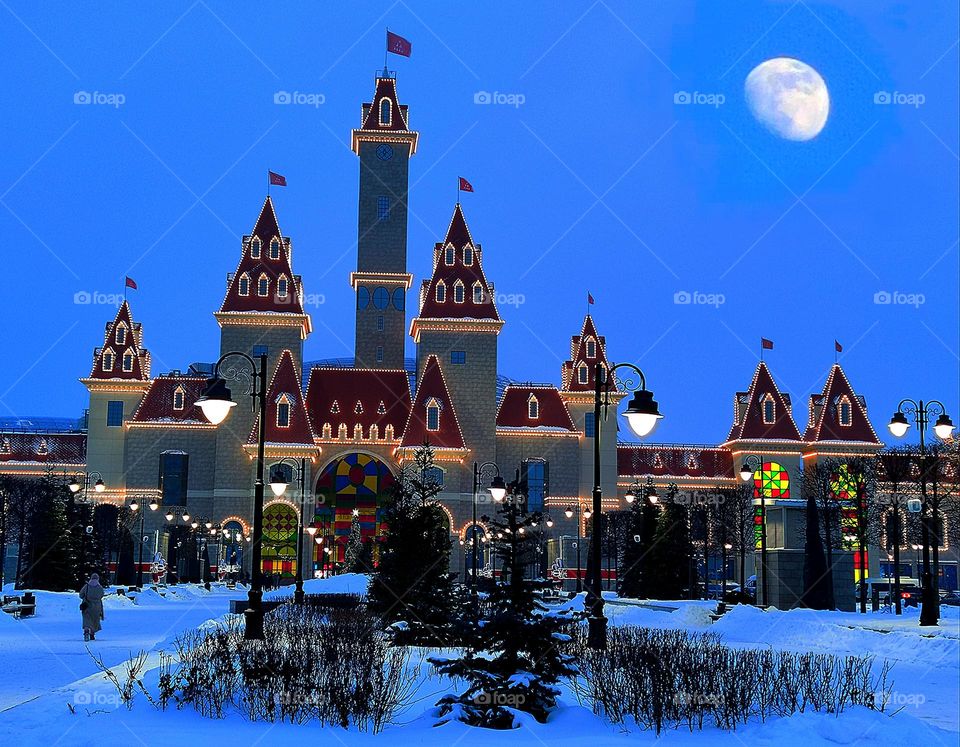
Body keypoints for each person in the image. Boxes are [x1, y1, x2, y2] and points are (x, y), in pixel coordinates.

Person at [79, 573, 105, 642]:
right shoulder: (100, 587)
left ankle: (86, 632)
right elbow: (102, 595)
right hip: (97, 607)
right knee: (94, 620)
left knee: (87, 620)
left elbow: (81, 595)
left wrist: (86, 597)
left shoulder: (86, 586)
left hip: (87, 606)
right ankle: (92, 634)